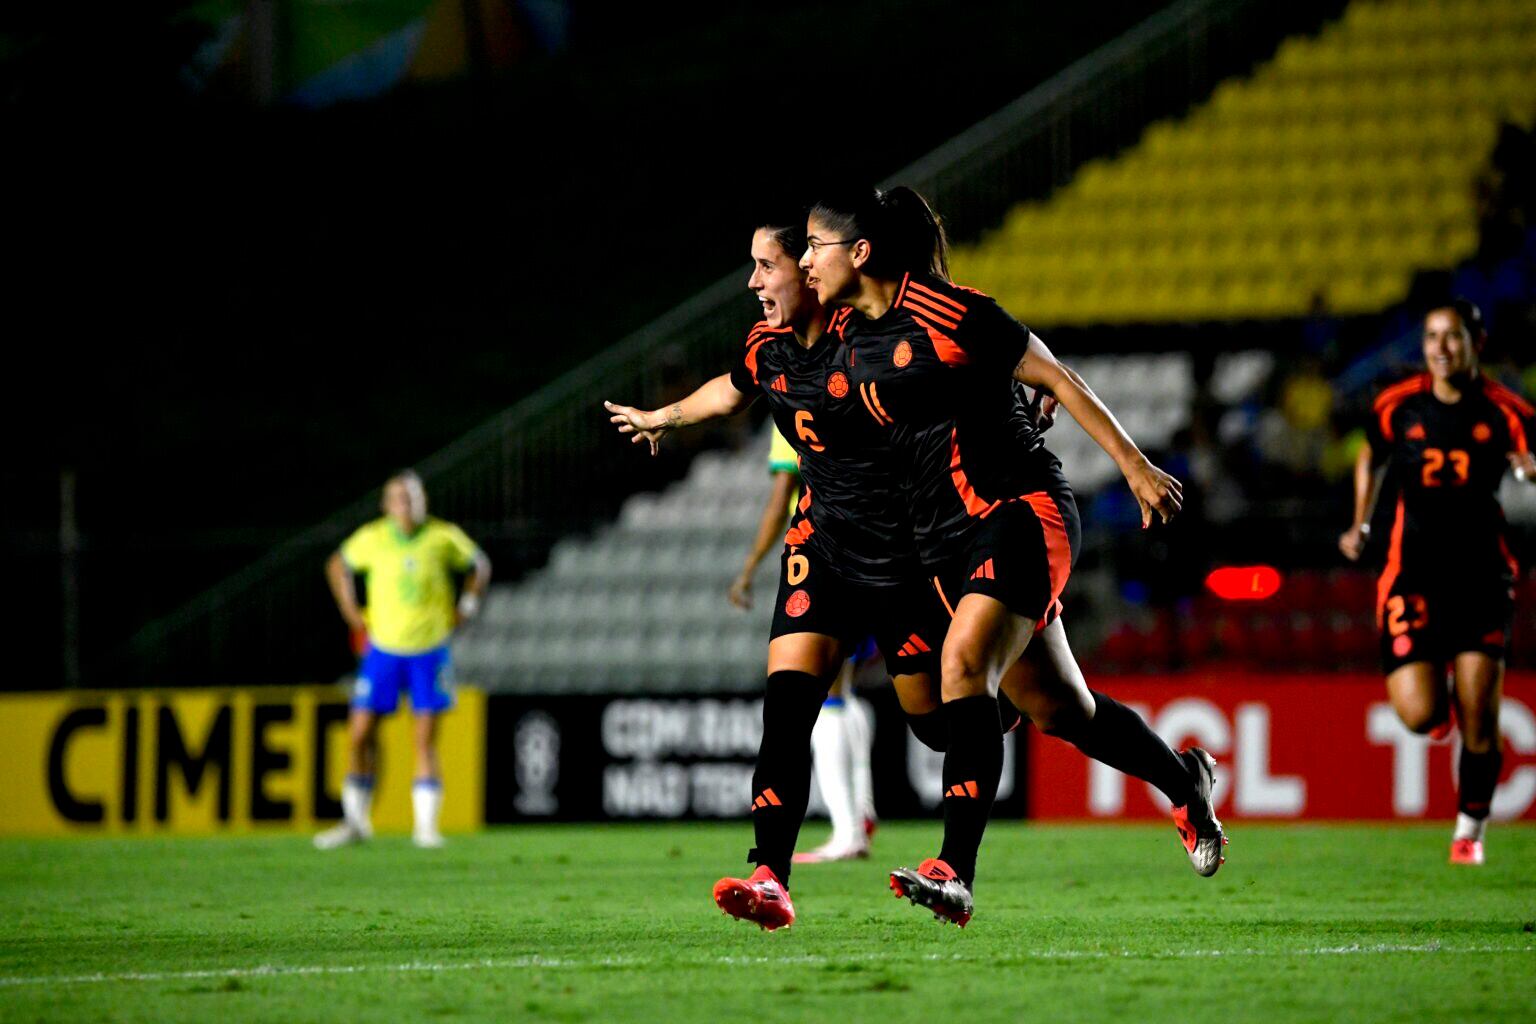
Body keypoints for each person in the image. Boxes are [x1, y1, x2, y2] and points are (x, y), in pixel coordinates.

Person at [800, 186, 1226, 926]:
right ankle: (1185, 781)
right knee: (1058, 712)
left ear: (861, 253)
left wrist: (1133, 466)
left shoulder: (954, 311)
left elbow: (1058, 376)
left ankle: (954, 872)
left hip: (1021, 512)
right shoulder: (842, 334)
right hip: (939, 543)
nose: (806, 262)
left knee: (966, 663)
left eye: (814, 246)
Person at [605, 215, 963, 929]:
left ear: (806, 272)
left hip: (898, 553)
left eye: (765, 266)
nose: (753, 283)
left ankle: (989, 716)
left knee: (937, 727)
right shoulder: (766, 346)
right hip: (820, 548)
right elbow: (730, 390)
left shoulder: (866, 335)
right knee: (787, 709)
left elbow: (954, 366)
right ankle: (770, 876)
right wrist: (664, 416)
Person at [1340, 299, 1534, 865]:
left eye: (1452, 336)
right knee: (1420, 713)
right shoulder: (1397, 405)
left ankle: (1469, 831)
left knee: (1481, 712)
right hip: (1412, 574)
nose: (1441, 348)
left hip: (1481, 576)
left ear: (1477, 342)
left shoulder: (1506, 409)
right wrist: (1361, 521)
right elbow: (1370, 457)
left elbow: (1531, 453)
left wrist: (1530, 468)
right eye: (1431, 337)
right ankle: (1440, 706)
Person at [314, 470, 491, 850]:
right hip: (383, 649)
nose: (407, 505)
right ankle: (355, 822)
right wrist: (350, 611)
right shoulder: (373, 538)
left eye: (413, 497)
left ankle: (425, 827)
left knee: (424, 739)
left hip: (430, 648)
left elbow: (480, 565)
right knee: (360, 735)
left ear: (423, 500)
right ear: (387, 505)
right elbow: (336, 565)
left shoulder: (442, 536)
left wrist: (468, 606)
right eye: (399, 498)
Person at [729, 424, 878, 862]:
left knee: (822, 690)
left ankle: (846, 830)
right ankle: (861, 812)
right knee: (844, 686)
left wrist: (750, 566)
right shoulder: (859, 376)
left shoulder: (792, 394)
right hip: (877, 542)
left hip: (826, 551)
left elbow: (782, 496)